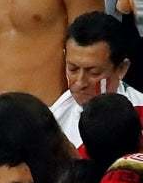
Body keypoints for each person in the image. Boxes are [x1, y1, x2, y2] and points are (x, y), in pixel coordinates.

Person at [52, 13, 142, 152]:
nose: (80, 82)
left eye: (93, 72)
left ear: (121, 69)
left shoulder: (140, 116)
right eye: (73, 69)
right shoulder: (54, 118)